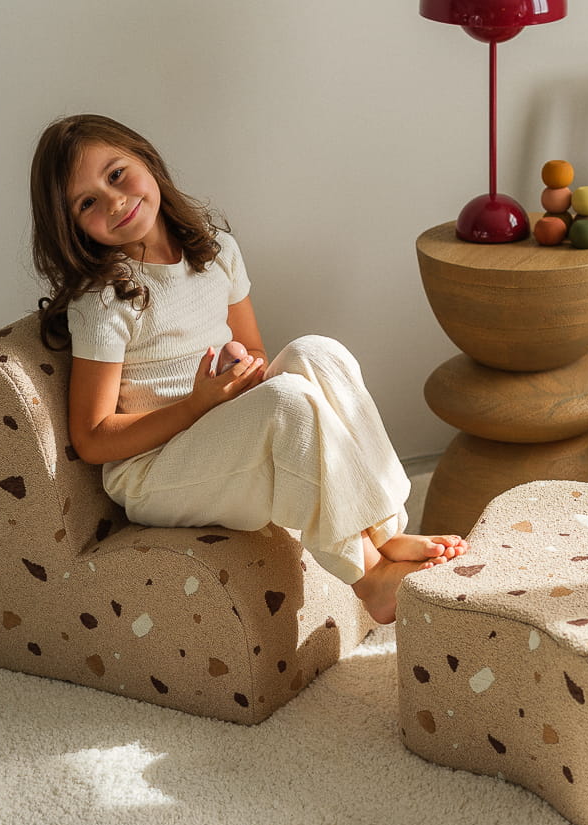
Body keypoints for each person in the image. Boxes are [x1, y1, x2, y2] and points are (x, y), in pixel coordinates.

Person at [30, 114, 467, 624]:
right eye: (87, 203)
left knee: (317, 352)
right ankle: (369, 575)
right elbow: (92, 438)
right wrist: (197, 405)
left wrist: (238, 371)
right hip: (152, 473)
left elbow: (255, 351)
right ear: (72, 227)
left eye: (116, 174)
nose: (113, 201)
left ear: (145, 159)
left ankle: (384, 531)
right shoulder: (105, 300)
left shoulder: (215, 251)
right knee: (288, 403)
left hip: (215, 429)